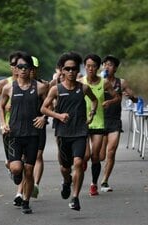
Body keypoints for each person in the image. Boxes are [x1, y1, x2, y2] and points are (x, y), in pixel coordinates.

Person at [41, 51, 98, 211]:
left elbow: (94, 101)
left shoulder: (84, 88)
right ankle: (66, 182)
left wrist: (91, 114)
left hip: (80, 130)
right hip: (63, 132)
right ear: (62, 71)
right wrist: (58, 115)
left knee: (79, 163)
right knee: (65, 167)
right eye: (68, 69)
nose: (71, 72)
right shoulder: (56, 90)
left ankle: (75, 197)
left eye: (74, 69)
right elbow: (44, 108)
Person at [0, 52, 48, 214]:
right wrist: (3, 123)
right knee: (16, 168)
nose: (23, 70)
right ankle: (16, 176)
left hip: (33, 135)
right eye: (19, 67)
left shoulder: (40, 87)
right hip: (14, 135)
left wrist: (43, 117)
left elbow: (50, 105)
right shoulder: (8, 87)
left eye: (26, 67)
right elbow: (1, 105)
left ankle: (26, 201)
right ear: (15, 69)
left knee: (28, 169)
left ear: (30, 69)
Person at [78, 54, 121, 196]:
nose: (91, 69)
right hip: (83, 122)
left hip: (99, 122)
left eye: (94, 66)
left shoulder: (104, 83)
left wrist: (109, 102)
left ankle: (93, 184)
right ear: (85, 66)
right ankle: (83, 162)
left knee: (96, 156)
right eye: (88, 66)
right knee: (85, 155)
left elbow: (117, 97)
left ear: (98, 67)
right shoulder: (80, 82)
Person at [0, 51, 24, 207]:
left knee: (24, 162)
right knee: (13, 165)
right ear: (11, 67)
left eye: (22, 65)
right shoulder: (4, 84)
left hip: (26, 129)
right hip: (9, 129)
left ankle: (20, 194)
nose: (19, 68)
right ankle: (11, 167)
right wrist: (5, 107)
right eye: (16, 65)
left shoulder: (29, 82)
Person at [99, 55, 137, 192]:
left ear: (115, 68)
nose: (107, 67)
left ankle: (104, 181)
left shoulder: (121, 82)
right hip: (99, 120)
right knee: (100, 155)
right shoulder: (98, 81)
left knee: (111, 151)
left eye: (110, 65)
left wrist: (131, 97)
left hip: (114, 120)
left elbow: (135, 100)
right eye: (105, 64)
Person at [30, 56, 49, 198]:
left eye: (33, 68)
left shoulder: (43, 85)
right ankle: (24, 182)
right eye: (27, 68)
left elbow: (49, 105)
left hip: (39, 124)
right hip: (21, 125)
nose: (30, 71)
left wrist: (44, 117)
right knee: (24, 159)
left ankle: (35, 185)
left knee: (38, 155)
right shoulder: (15, 85)